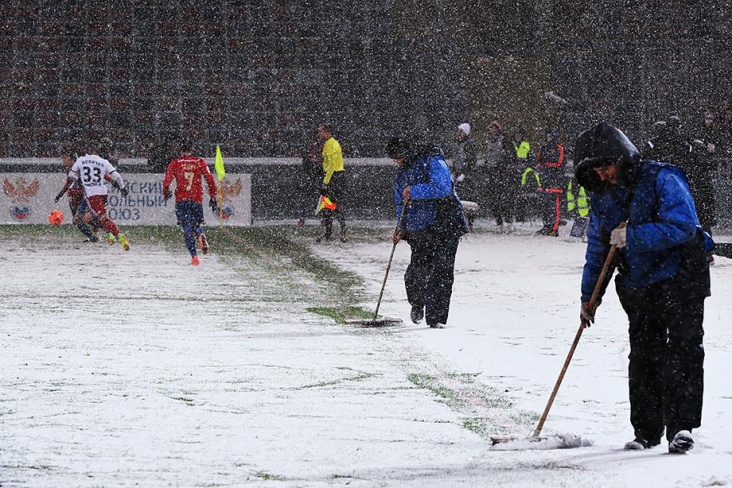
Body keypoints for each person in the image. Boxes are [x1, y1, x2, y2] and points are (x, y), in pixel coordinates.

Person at [574, 122, 713, 454]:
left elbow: (682, 226)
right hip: (639, 282)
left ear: (622, 157)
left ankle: (681, 426)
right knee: (643, 354)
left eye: (606, 166)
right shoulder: (602, 197)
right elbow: (598, 249)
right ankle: (646, 430)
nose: (603, 175)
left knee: (683, 349)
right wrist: (589, 297)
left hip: (682, 276)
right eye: (596, 170)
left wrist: (632, 236)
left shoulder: (663, 178)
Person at [385, 136, 468, 329]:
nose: (397, 162)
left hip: (446, 222)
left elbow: (443, 188)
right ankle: (417, 302)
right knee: (416, 272)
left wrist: (414, 191)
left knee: (442, 271)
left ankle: (436, 318)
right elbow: (400, 203)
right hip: (420, 227)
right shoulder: (402, 172)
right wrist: (400, 227)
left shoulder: (432, 160)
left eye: (398, 157)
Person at [59, 138, 131, 250]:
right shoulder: (103, 162)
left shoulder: (81, 161)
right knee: (101, 216)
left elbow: (71, 177)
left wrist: (80, 180)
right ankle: (108, 234)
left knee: (101, 217)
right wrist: (122, 188)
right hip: (103, 193)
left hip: (92, 194)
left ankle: (116, 235)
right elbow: (117, 177)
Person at [162, 138, 218, 266]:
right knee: (196, 224)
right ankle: (200, 234)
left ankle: (194, 257)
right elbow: (210, 179)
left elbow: (167, 181)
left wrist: (166, 191)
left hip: (182, 200)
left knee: (187, 228)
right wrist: (213, 197)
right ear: (192, 149)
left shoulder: (175, 163)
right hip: (196, 199)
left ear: (180, 150)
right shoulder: (199, 162)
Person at [317, 124, 347, 242]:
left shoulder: (332, 145)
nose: (319, 134)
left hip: (334, 177)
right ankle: (331, 232)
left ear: (327, 132)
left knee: (332, 205)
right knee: (329, 205)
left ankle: (342, 231)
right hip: (333, 177)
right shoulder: (331, 143)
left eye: (321, 131)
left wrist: (325, 182)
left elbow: (332, 166)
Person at [534, 127, 566, 236]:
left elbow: (559, 163)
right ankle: (546, 225)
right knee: (545, 205)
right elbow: (538, 161)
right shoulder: (543, 148)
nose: (548, 138)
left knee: (555, 206)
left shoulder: (559, 148)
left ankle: (554, 228)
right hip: (544, 181)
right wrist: (543, 166)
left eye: (550, 136)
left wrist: (546, 165)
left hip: (555, 181)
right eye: (547, 136)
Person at [451, 122, 478, 230]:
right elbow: (456, 159)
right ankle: (459, 221)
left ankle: (469, 223)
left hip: (467, 176)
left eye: (461, 131)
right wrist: (454, 171)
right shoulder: (457, 144)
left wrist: (465, 173)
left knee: (468, 198)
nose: (459, 133)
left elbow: (471, 160)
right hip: (458, 173)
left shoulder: (470, 145)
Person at [298, 128, 324, 227]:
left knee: (322, 196)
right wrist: (308, 172)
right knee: (305, 195)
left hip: (319, 172)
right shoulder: (310, 144)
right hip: (311, 172)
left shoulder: (324, 144)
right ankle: (302, 218)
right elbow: (305, 158)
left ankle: (323, 218)